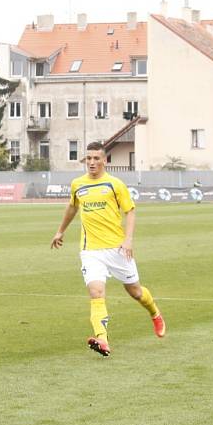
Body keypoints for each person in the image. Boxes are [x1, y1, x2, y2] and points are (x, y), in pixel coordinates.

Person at [50, 141, 166, 357]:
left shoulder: (115, 184)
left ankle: (154, 312)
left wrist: (128, 240)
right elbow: (73, 207)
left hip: (117, 249)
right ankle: (102, 338)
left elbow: (130, 211)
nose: (92, 162)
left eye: (96, 158)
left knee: (136, 292)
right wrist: (60, 231)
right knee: (96, 292)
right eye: (89, 158)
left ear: (104, 160)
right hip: (90, 250)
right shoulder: (78, 184)